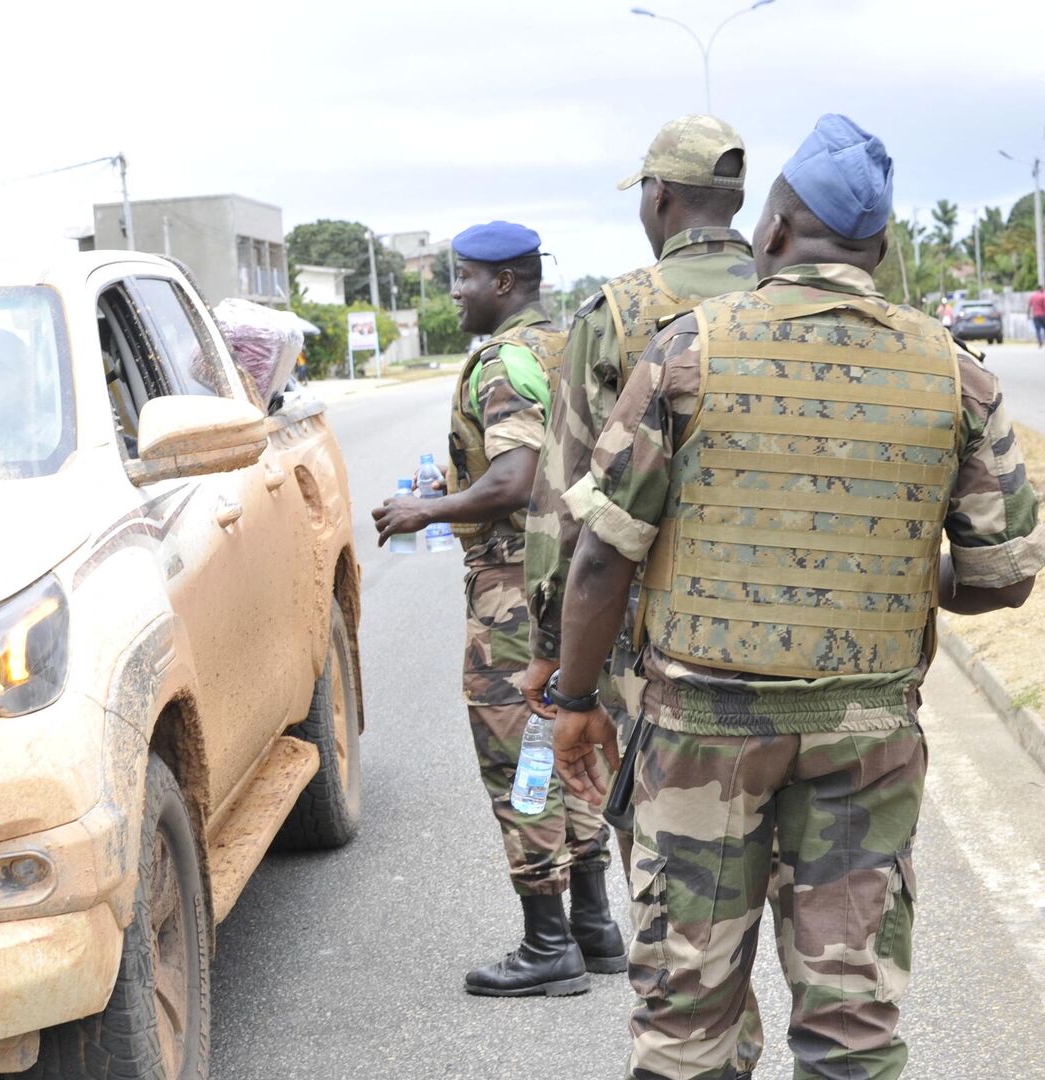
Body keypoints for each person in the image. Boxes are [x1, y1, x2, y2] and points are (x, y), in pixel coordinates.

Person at [548, 114, 1042, 1080]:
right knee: (853, 1028)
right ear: (885, 245)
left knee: (686, 1026)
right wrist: (889, 567)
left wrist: (572, 704)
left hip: (700, 735)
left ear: (771, 232)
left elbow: (602, 559)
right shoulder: (957, 373)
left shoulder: (687, 352)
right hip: (867, 735)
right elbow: (1002, 576)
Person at [518, 116, 760, 1024]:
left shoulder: (618, 314)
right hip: (803, 648)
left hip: (652, 660)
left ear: (659, 197)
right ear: (737, 201)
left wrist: (552, 654)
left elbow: (565, 505)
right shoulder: (791, 292)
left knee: (678, 911)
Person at [371, 220, 618, 999]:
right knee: (565, 740)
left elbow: (513, 480)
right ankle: (595, 927)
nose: (455, 293)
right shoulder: (565, 345)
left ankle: (548, 946)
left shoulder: (503, 363)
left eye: (465, 278)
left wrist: (428, 510)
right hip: (575, 580)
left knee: (522, 757)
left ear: (504, 283)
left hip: (515, 589)